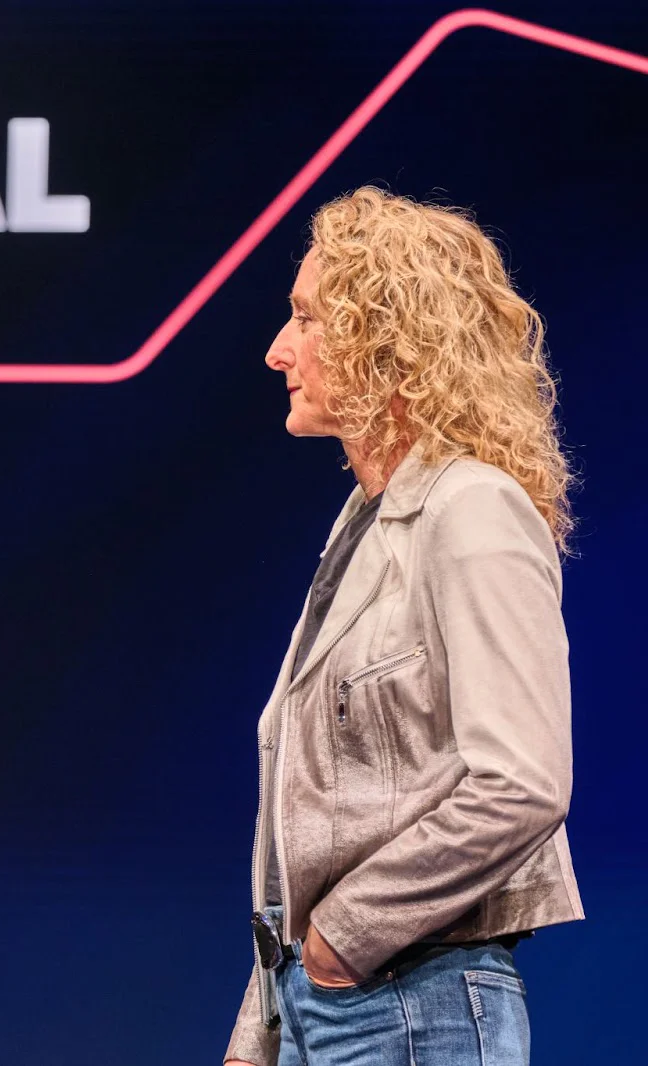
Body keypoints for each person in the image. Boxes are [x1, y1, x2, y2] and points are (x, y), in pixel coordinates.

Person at [223, 187, 582, 1066]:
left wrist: (340, 943)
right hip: (332, 1009)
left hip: (414, 1003)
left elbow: (522, 783)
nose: (278, 349)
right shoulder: (364, 522)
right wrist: (260, 1030)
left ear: (384, 339)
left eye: (307, 317)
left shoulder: (473, 509)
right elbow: (314, 828)